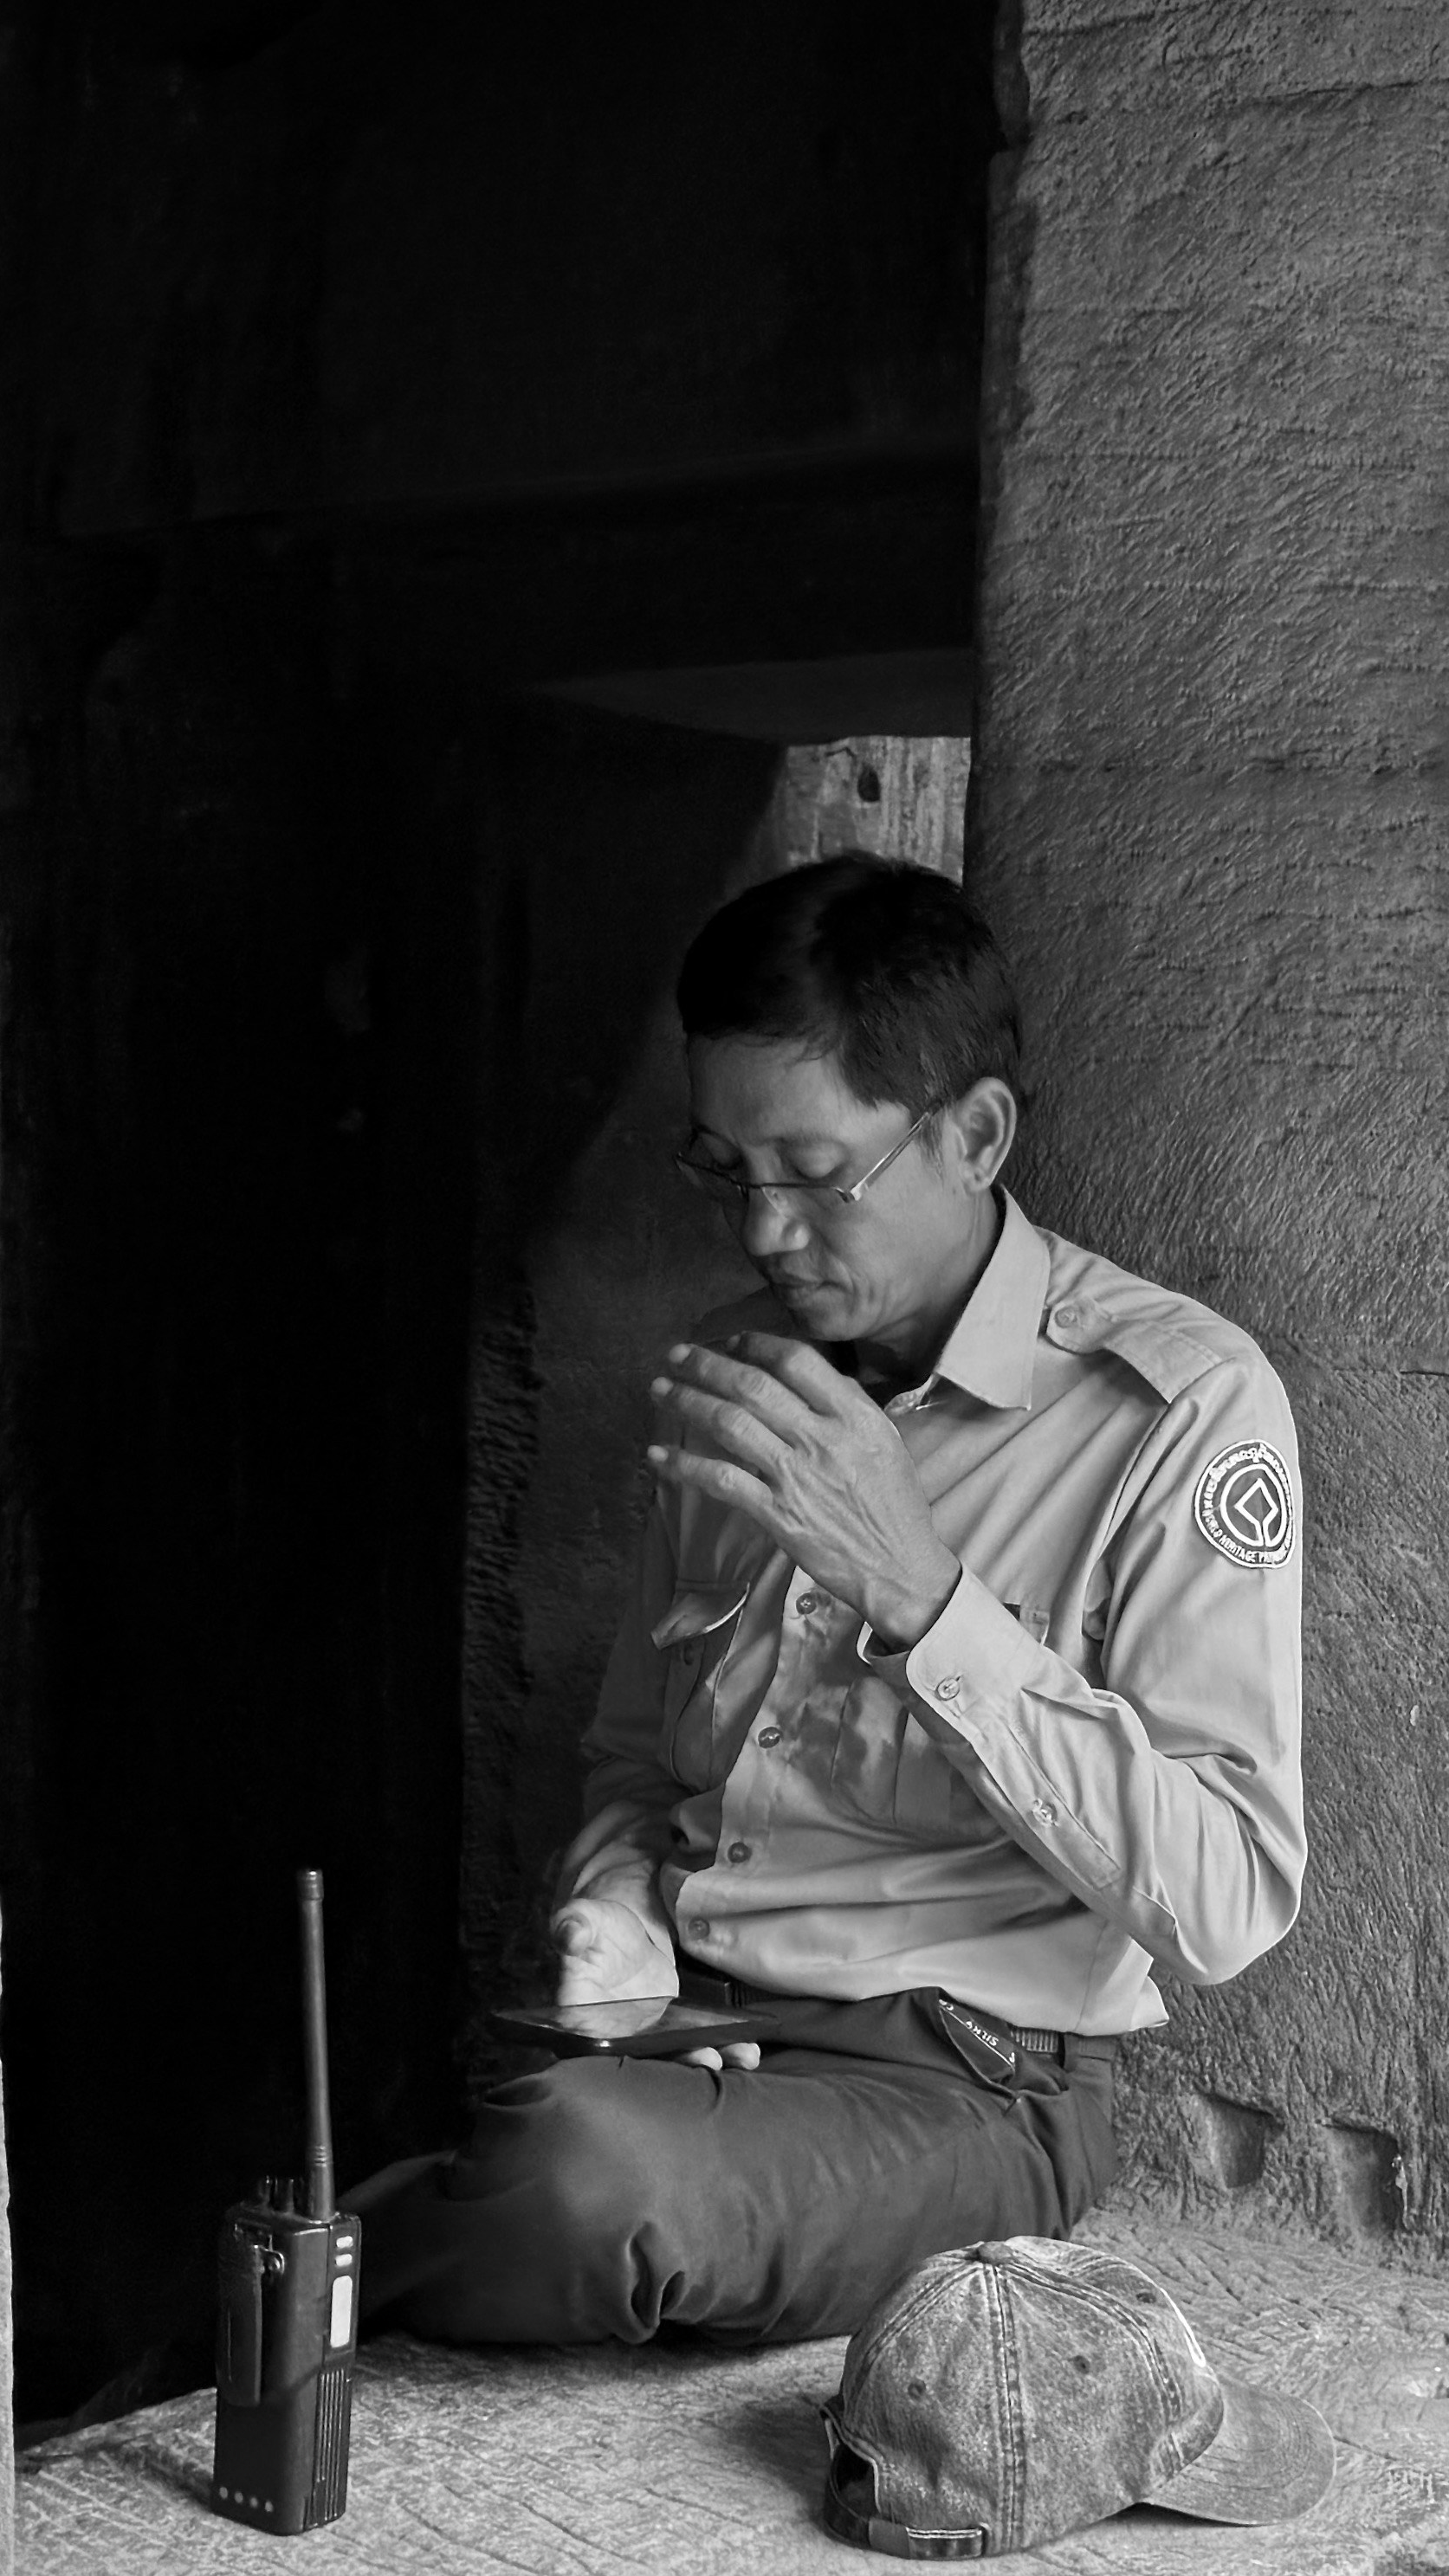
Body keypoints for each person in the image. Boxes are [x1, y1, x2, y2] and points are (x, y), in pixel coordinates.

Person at [349, 854, 1304, 2345]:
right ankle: (303, 2272)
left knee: (574, 2181)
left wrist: (922, 1594)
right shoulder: (749, 1370)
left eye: (814, 1172)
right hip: (697, 2028)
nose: (763, 1234)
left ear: (973, 1132)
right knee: (502, 2114)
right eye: (725, 1172)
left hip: (967, 2078)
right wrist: (613, 1912)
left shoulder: (1175, 1407)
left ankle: (297, 2276)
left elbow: (1231, 1893)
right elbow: (634, 1759)